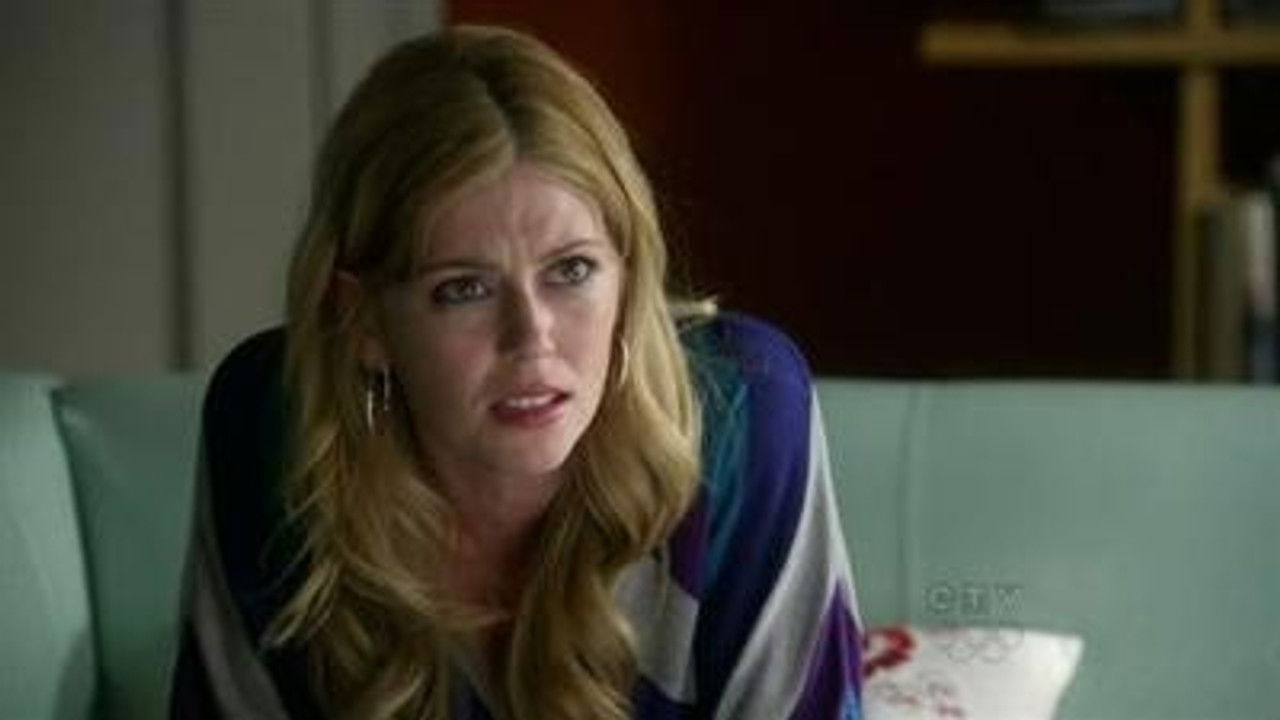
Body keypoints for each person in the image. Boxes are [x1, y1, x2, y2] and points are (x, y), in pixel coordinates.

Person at [170, 25, 862, 720]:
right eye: (463, 289)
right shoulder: (268, 429)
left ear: (628, 278)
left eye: (572, 270)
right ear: (365, 322)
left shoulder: (744, 415)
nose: (532, 339)